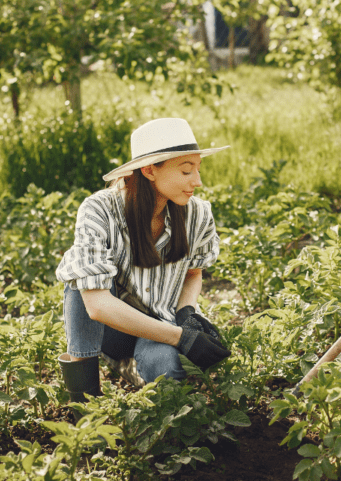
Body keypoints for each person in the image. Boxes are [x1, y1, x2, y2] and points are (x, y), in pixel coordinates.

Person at [55, 118, 231, 401]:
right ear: (149, 170)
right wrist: (180, 338)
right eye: (186, 171)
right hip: (111, 330)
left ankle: (132, 369)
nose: (197, 181)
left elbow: (193, 273)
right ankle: (83, 399)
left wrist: (186, 314)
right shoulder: (100, 210)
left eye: (198, 169)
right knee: (80, 281)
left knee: (167, 372)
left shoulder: (197, 214)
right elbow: (97, 306)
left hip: (160, 324)